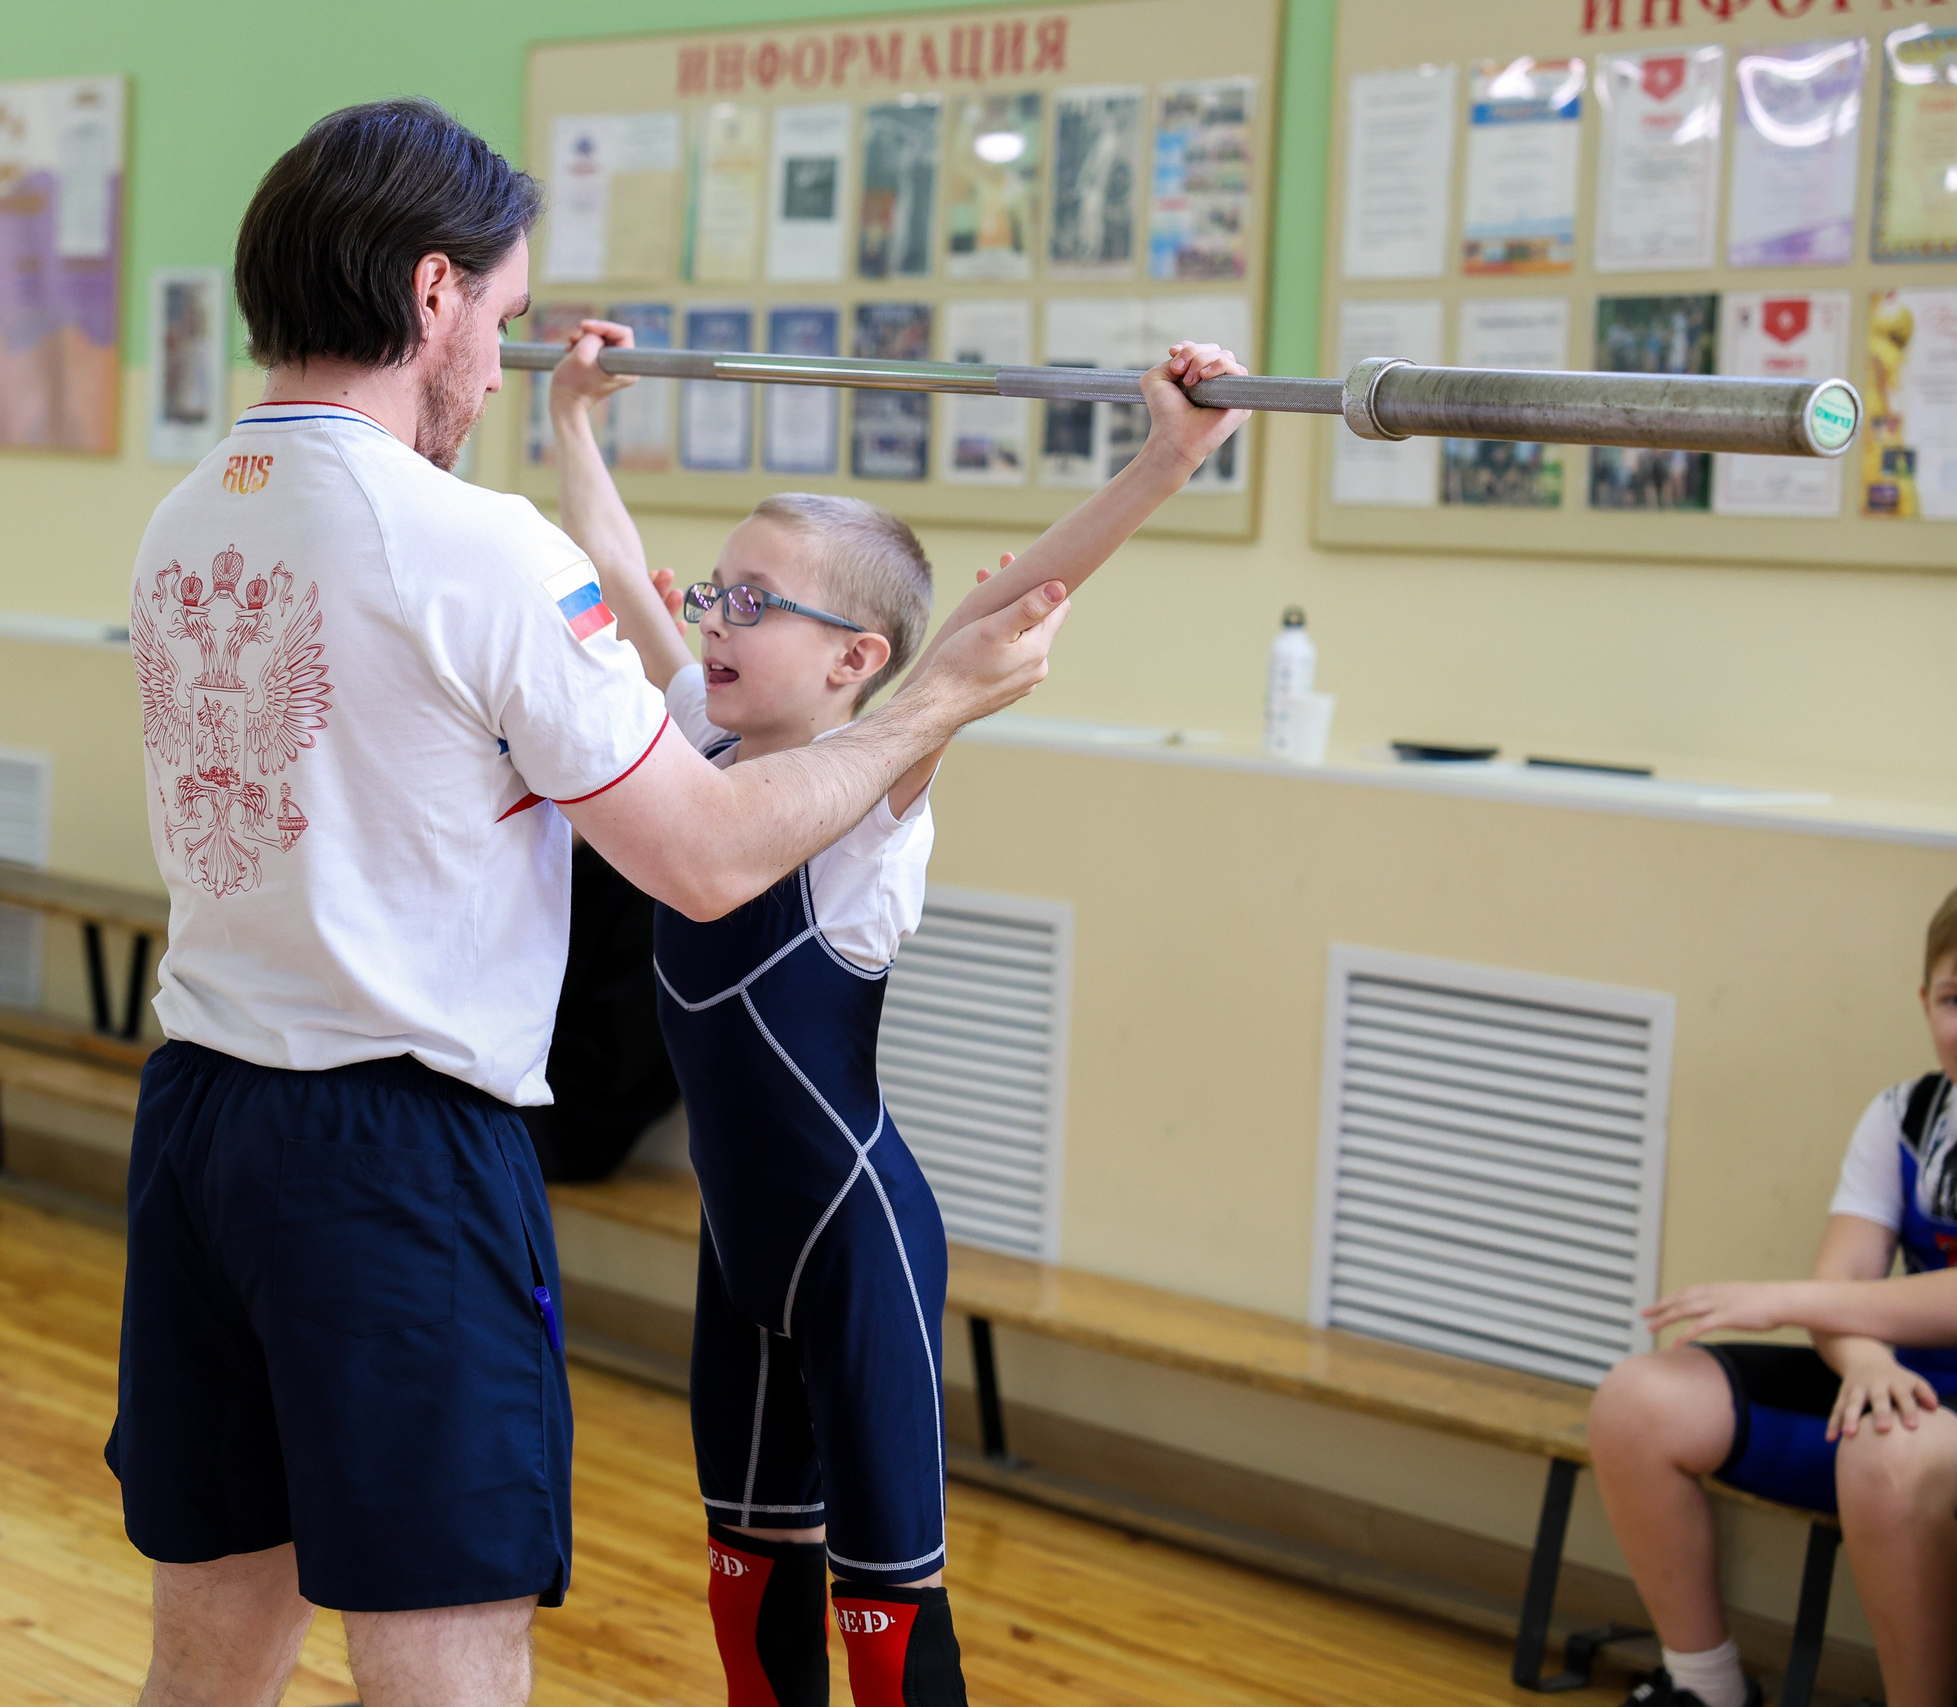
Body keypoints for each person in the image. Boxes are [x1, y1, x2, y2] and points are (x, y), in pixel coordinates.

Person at [106, 100, 1080, 1707]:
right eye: (494, 317)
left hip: (202, 1123)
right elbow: (701, 852)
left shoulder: (189, 510)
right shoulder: (477, 546)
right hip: (394, 1160)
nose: (491, 369)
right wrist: (937, 697)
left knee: (212, 1645)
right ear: (432, 296)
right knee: (446, 1646)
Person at [545, 318, 1249, 1707]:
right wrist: (573, 416)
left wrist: (1165, 463)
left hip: (855, 1241)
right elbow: (620, 572)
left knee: (884, 1610)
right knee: (748, 1588)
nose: (712, 619)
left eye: (757, 604)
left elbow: (995, 621)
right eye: (721, 594)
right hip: (739, 1253)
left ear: (859, 659)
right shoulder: (700, 738)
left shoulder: (881, 786)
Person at [1588, 876, 1957, 1707]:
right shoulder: (1901, 1115)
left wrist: (1794, 1300)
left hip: (1952, 1434)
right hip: (1909, 1388)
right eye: (1956, 998)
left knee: (1888, 1452)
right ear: (1924, 1001)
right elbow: (1840, 1283)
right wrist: (1866, 1360)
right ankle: (1705, 1688)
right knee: (1637, 1399)